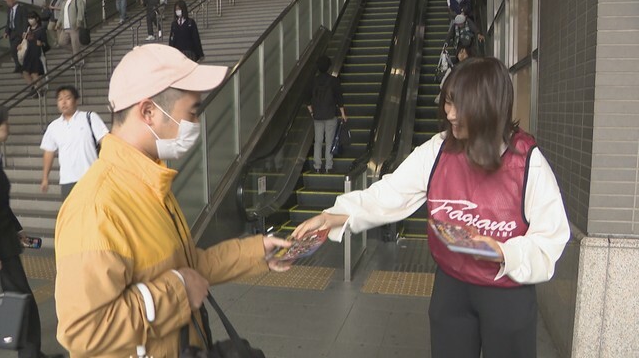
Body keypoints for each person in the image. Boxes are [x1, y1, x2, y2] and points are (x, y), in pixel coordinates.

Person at [292, 57, 570, 358]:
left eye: (457, 105)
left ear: (487, 106)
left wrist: (503, 251)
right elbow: (390, 193)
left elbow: (550, 237)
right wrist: (333, 216)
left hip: (507, 291)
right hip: (452, 289)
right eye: (447, 103)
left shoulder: (527, 162)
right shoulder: (438, 150)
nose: (449, 113)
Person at [53, 44, 293, 357]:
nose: (196, 123)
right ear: (149, 111)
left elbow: (188, 267)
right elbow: (84, 331)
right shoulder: (97, 207)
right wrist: (177, 292)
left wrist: (257, 252)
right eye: (192, 112)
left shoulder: (150, 185)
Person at [0, 107, 63, 358]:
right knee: (22, 299)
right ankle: (29, 353)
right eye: (6, 122)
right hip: (1, 248)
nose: (9, 127)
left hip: (6, 240)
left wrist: (16, 230)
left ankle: (30, 352)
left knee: (20, 299)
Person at [40, 85, 109, 200]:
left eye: (67, 98)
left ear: (76, 100)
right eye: (60, 99)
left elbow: (105, 141)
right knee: (72, 216)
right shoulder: (53, 127)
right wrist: (45, 178)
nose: (64, 102)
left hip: (91, 177)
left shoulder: (90, 117)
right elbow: (49, 152)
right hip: (67, 180)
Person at [306, 55, 347, 174]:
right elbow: (339, 98)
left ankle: (317, 166)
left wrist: (312, 112)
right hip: (330, 115)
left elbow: (307, 99)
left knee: (318, 141)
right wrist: (343, 114)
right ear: (329, 67)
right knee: (329, 141)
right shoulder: (333, 81)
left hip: (317, 116)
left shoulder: (313, 81)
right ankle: (329, 166)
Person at [20, 11, 49, 97]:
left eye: (32, 18)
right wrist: (21, 43)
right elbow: (24, 41)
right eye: (29, 18)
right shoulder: (28, 29)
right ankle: (34, 89)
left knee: (34, 73)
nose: (30, 20)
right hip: (28, 53)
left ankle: (39, 90)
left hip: (37, 54)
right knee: (25, 72)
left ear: (36, 19)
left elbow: (46, 44)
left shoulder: (41, 29)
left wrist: (41, 43)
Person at [55, 0, 86, 65]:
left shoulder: (77, 0)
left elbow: (81, 11)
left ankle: (77, 61)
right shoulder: (64, 2)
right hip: (65, 27)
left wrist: (79, 22)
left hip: (74, 27)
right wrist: (58, 23)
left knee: (75, 44)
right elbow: (61, 15)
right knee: (61, 42)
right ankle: (78, 53)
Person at [3, 0, 28, 73]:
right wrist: (6, 32)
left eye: (8, 1)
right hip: (12, 33)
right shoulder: (9, 10)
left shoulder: (21, 8)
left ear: (14, 1)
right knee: (13, 50)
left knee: (14, 49)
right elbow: (8, 21)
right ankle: (19, 65)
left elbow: (24, 20)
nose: (7, 3)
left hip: (19, 33)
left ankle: (20, 66)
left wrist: (24, 31)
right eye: (6, 2)